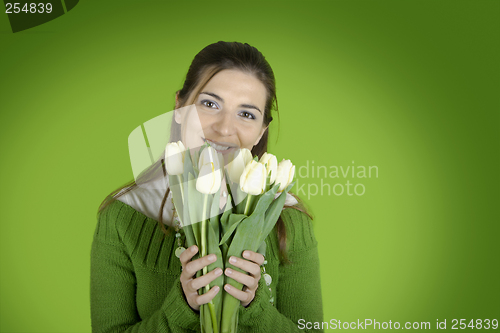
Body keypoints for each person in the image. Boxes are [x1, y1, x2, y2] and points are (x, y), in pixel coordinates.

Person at [91, 41, 324, 332]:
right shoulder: (124, 215)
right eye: (210, 104)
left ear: (261, 130)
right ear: (179, 106)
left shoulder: (289, 218)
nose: (225, 128)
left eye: (247, 114)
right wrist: (182, 308)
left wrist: (254, 307)